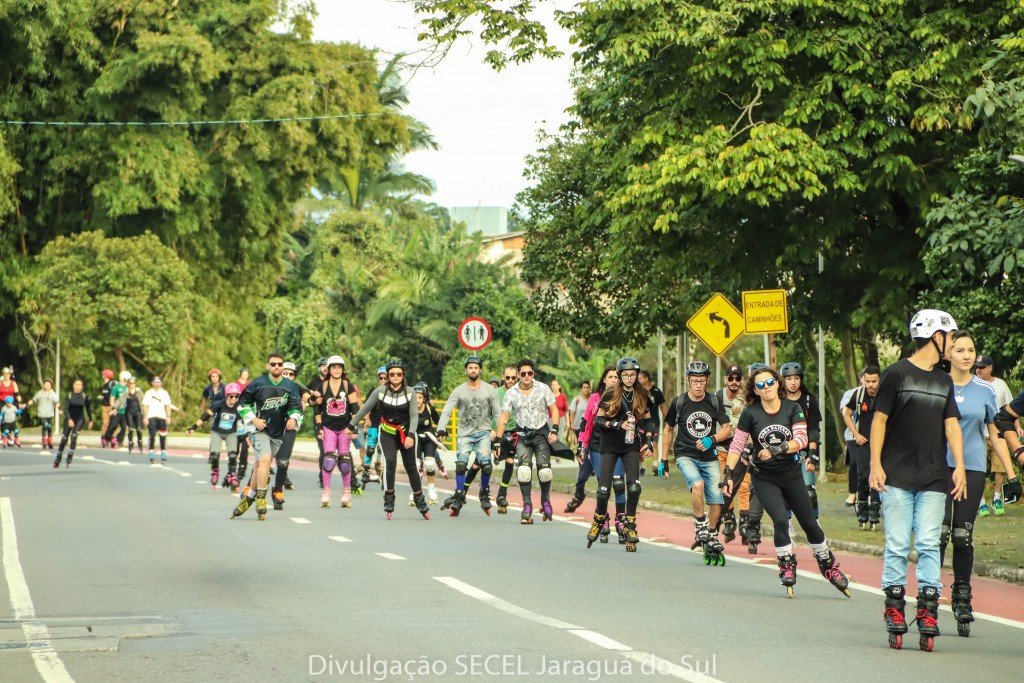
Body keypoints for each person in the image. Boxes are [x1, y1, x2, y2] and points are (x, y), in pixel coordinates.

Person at [869, 309, 967, 651]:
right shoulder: (896, 374)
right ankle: (894, 609)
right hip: (895, 474)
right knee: (897, 543)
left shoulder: (944, 381)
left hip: (934, 476)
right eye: (950, 337)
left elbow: (951, 424)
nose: (953, 343)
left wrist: (960, 466)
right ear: (935, 336)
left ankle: (927, 610)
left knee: (928, 543)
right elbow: (879, 421)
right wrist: (874, 465)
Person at [723, 367, 850, 596]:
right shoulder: (750, 413)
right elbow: (737, 445)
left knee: (810, 523)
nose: (767, 387)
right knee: (780, 520)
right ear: (755, 390)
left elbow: (801, 438)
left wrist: (777, 449)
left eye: (770, 382)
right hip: (764, 477)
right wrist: (727, 475)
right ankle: (786, 564)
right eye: (760, 385)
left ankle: (827, 563)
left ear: (777, 383)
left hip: (791, 475)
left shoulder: (793, 408)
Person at [940, 331, 1018, 637]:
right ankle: (929, 596)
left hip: (972, 468)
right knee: (939, 534)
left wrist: (1011, 475)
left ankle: (962, 596)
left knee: (962, 534)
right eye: (959, 349)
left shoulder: (985, 391)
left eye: (971, 350)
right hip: (937, 469)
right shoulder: (936, 384)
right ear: (948, 354)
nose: (966, 355)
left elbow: (995, 434)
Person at [662, 360, 733, 563]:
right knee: (697, 485)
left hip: (709, 456)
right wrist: (663, 459)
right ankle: (700, 525)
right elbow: (667, 429)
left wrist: (713, 438)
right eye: (694, 381)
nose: (698, 385)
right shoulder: (679, 402)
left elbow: (727, 428)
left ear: (707, 381)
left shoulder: (713, 401)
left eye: (702, 381)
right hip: (685, 455)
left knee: (717, 499)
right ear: (688, 381)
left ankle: (711, 535)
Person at [585, 357, 655, 551]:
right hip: (609, 446)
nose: (630, 378)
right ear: (620, 376)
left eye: (633, 375)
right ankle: (599, 518)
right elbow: (598, 421)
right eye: (625, 375)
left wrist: (649, 441)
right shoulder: (610, 394)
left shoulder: (642, 394)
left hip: (631, 446)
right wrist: (616, 424)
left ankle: (630, 525)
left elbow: (649, 422)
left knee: (634, 487)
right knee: (604, 490)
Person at [349, 359, 430, 520]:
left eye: (398, 374)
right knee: (390, 463)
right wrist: (351, 425)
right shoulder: (380, 391)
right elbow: (365, 408)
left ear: (403, 375)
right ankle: (389, 498)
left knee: (411, 466)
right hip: (387, 432)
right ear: (388, 375)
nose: (395, 376)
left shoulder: (410, 392)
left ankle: (419, 499)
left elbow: (414, 415)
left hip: (405, 433)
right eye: (392, 374)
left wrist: (411, 435)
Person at [231, 353, 304, 521]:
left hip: (278, 433)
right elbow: (242, 404)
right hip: (259, 429)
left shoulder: (290, 386)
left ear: (283, 366)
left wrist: (293, 418)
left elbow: (296, 407)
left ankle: (248, 498)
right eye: (273, 364)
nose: (277, 367)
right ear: (268, 366)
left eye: (280, 364)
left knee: (259, 465)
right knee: (265, 459)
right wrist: (254, 419)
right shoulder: (258, 383)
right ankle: (261, 499)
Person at [436, 355, 501, 516]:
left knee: (486, 464)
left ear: (480, 370)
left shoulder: (489, 390)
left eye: (476, 367)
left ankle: (484, 492)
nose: (473, 370)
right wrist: (441, 428)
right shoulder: (458, 390)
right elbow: (447, 410)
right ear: (466, 370)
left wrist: (499, 436)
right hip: (465, 434)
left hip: (483, 433)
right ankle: (459, 494)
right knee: (460, 464)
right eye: (470, 367)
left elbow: (498, 414)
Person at [496, 359, 560, 524]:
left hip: (541, 434)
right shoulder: (512, 393)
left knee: (544, 471)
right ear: (518, 374)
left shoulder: (543, 388)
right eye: (523, 373)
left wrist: (555, 429)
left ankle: (545, 501)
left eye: (529, 373)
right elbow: (504, 416)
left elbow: (553, 409)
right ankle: (527, 505)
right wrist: (498, 440)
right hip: (522, 435)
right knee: (524, 471)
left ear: (533, 373)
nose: (526, 376)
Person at [313, 356, 360, 508]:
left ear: (342, 369)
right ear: (329, 369)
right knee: (329, 460)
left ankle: (347, 492)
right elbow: (317, 409)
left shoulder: (348, 386)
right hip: (328, 428)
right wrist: (319, 427)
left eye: (339, 367)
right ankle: (326, 491)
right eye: (334, 367)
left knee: (345, 462)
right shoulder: (323, 386)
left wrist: (354, 428)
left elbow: (354, 408)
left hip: (345, 428)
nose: (337, 370)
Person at [779, 362, 824, 518]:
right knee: (785, 494)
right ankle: (787, 526)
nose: (793, 382)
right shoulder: (778, 401)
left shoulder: (809, 401)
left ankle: (815, 524)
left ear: (801, 380)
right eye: (789, 378)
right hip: (783, 453)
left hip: (804, 453)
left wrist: (813, 455)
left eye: (796, 378)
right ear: (783, 380)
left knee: (809, 492)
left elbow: (813, 430)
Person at [714, 364, 750, 544]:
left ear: (741, 380)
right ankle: (728, 518)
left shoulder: (746, 398)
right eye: (731, 378)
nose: (734, 382)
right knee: (725, 484)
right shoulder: (717, 397)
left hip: (741, 450)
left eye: (737, 379)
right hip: (722, 449)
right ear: (725, 380)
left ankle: (745, 520)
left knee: (744, 486)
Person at [974, 355, 1014, 516]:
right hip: (978, 434)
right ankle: (981, 502)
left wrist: (1016, 427)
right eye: (977, 367)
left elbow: (1009, 408)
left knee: (1001, 469)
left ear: (990, 367)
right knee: (978, 470)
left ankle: (997, 498)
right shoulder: (972, 384)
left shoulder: (1000, 385)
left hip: (997, 434)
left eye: (982, 367)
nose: (978, 370)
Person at [843, 366, 882, 530]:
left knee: (878, 479)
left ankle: (875, 513)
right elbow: (847, 414)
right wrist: (856, 434)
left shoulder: (885, 394)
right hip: (863, 443)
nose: (871, 385)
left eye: (874, 381)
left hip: (880, 444)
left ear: (879, 380)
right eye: (868, 381)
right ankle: (862, 514)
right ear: (863, 380)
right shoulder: (858, 395)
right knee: (862, 476)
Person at [187, 382, 242, 491]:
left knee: (232, 455)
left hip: (231, 432)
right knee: (215, 455)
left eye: (236, 396)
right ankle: (215, 471)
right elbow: (206, 416)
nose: (234, 399)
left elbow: (249, 420)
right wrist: (193, 427)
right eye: (231, 396)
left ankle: (232, 474)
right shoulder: (219, 404)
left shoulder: (240, 407)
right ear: (227, 396)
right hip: (217, 431)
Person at [493, 365, 521, 513]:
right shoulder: (496, 393)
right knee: (480, 464)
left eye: (513, 378)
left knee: (510, 462)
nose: (510, 380)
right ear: (503, 376)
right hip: (496, 432)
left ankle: (501, 494)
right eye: (507, 377)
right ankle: (462, 493)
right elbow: (488, 413)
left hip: (513, 433)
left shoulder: (520, 392)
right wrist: (491, 431)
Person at [412, 382, 444, 505]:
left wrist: (442, 433)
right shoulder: (408, 410)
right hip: (415, 439)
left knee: (430, 463)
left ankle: (431, 489)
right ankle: (416, 491)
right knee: (415, 464)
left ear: (424, 398)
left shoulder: (429, 408)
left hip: (429, 438)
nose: (418, 400)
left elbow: (439, 421)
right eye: (415, 397)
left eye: (420, 397)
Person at [53, 379, 92, 468]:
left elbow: (88, 409)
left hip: (80, 419)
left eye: (80, 385)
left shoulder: (85, 396)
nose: (78, 386)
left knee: (74, 437)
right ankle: (58, 459)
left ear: (82, 387)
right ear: (73, 385)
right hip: (69, 418)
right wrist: (69, 419)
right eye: (76, 384)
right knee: (64, 438)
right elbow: (66, 409)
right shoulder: (69, 395)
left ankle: (69, 459)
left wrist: (91, 420)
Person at [142, 376, 178, 463]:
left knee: (163, 436)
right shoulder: (149, 393)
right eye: (155, 381)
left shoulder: (164, 393)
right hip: (151, 416)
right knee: (152, 435)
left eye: (159, 382)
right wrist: (146, 417)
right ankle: (151, 452)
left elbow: (167, 405)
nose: (157, 383)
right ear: (152, 383)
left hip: (162, 417)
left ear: (161, 383)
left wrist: (168, 416)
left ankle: (163, 453)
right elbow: (145, 405)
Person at [638, 370, 667, 476]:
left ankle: (655, 466)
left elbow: (663, 406)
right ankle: (642, 466)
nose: (638, 380)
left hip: (654, 422)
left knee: (653, 443)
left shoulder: (656, 391)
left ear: (646, 378)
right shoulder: (637, 391)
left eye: (640, 378)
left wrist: (668, 419)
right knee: (640, 445)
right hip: (640, 423)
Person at [838, 383, 860, 507]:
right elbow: (845, 413)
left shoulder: (880, 393)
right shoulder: (851, 394)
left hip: (873, 436)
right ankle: (852, 493)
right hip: (853, 436)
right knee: (854, 463)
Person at [102, 371, 131, 449]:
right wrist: (113, 408)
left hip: (125, 412)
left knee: (124, 428)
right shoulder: (116, 387)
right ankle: (107, 438)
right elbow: (112, 399)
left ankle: (119, 441)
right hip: (117, 411)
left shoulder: (128, 388)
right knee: (112, 427)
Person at [29, 379, 59, 449]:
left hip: (50, 414)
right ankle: (44, 441)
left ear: (51, 386)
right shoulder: (40, 393)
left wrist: (59, 408)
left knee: (50, 428)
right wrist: (28, 404)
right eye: (45, 384)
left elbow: (57, 402)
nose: (46, 386)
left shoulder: (53, 393)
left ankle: (49, 441)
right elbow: (34, 399)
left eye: (48, 385)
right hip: (42, 413)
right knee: (45, 425)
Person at [124, 377, 145, 455]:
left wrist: (145, 413)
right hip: (129, 412)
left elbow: (144, 401)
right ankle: (130, 443)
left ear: (135, 384)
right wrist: (115, 408)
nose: (132, 385)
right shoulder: (126, 391)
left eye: (133, 383)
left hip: (138, 412)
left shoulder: (139, 391)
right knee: (130, 429)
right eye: (130, 383)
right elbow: (121, 400)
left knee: (139, 429)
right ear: (128, 384)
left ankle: (140, 442)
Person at [98, 369, 116, 447]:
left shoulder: (112, 384)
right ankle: (103, 437)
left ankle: (112, 438)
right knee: (105, 423)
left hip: (111, 407)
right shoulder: (104, 385)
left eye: (104, 374)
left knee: (113, 424)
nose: (102, 376)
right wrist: (102, 397)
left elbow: (114, 395)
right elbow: (105, 395)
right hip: (104, 407)